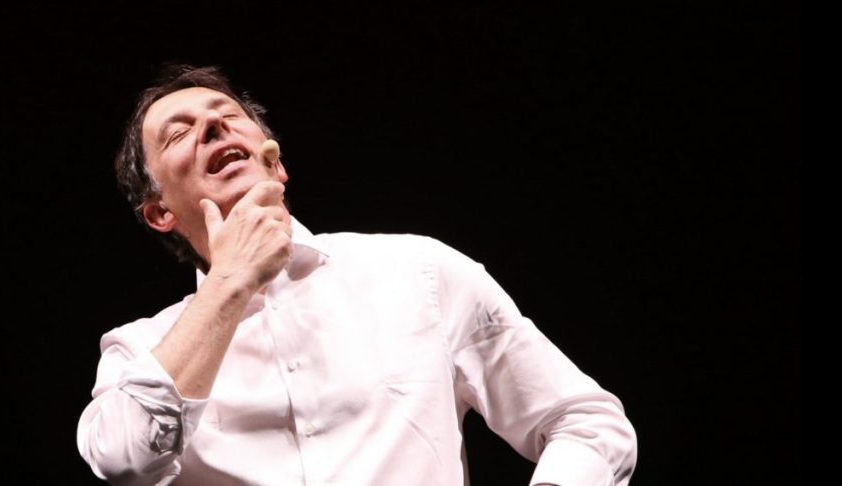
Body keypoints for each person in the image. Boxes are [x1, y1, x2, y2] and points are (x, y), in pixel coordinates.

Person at [77, 64, 637, 485]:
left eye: (227, 116)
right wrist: (231, 282)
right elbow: (124, 461)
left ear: (275, 161)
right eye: (178, 133)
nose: (211, 126)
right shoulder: (140, 349)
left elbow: (586, 421)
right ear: (160, 213)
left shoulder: (419, 272)